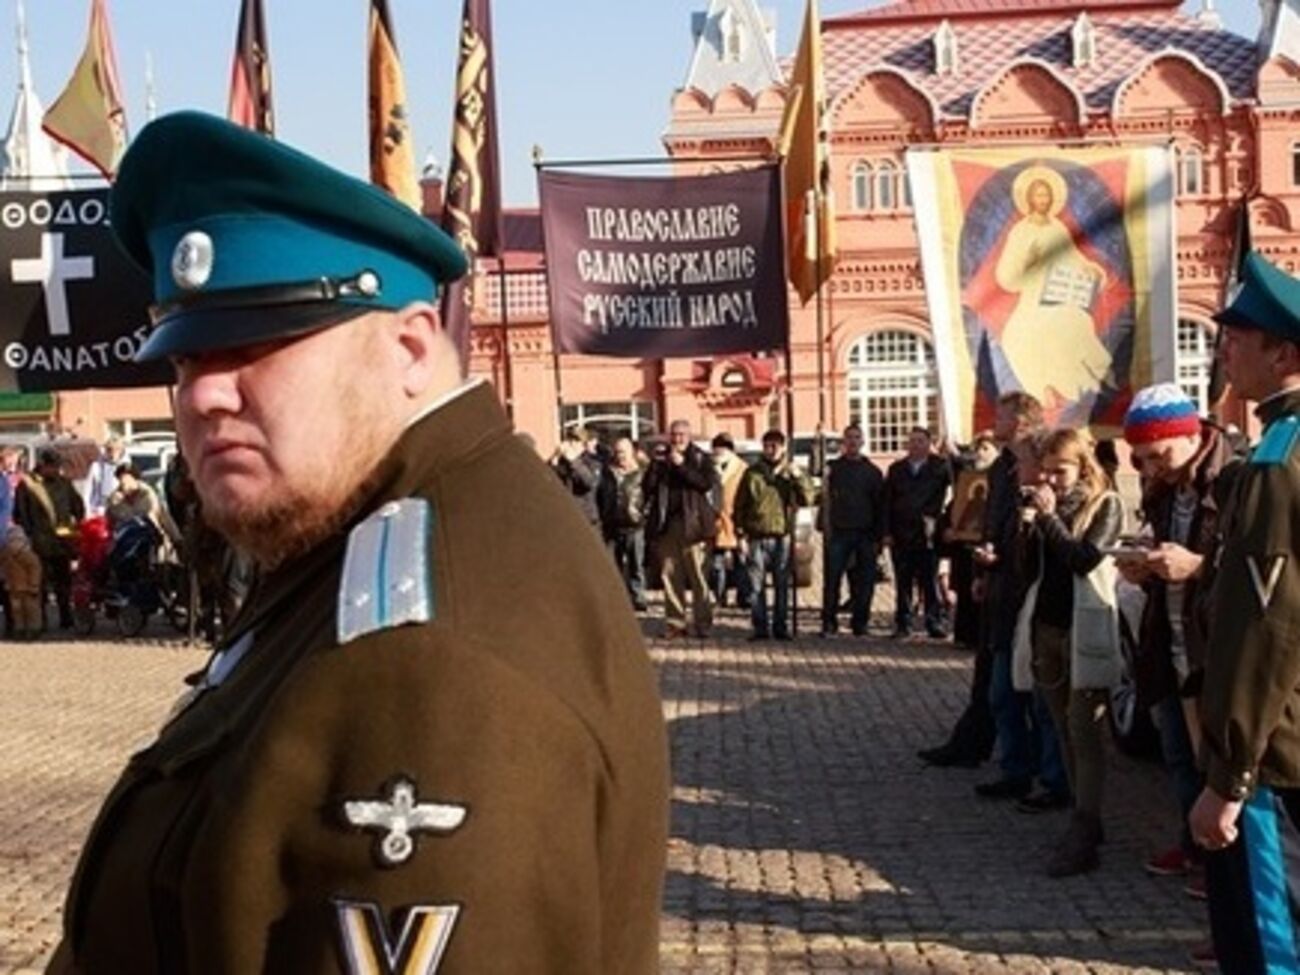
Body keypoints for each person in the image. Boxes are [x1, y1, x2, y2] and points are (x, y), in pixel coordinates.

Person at [48, 112, 669, 973]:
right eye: (186, 359)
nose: (202, 397)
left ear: (410, 348)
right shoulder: (357, 533)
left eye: (255, 344)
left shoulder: (429, 657)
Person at [1189, 251, 1300, 972]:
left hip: (1272, 753)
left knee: (1269, 942)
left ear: (1284, 352)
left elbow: (1266, 627)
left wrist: (1229, 775)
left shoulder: (1276, 460)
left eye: (1239, 336)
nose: (1224, 347)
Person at [1119, 384, 1240, 901]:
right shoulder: (1166, 487)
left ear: (1189, 436)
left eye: (1158, 454)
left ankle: (1229, 885)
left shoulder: (1237, 481)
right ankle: (1199, 854)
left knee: (1225, 781)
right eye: (1142, 459)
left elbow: (1261, 573)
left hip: (1213, 654)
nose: (1150, 468)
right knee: (1179, 759)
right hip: (1169, 646)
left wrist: (1196, 568)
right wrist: (1145, 564)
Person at [1017, 428, 1124, 876]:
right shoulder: (1049, 508)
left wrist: (1046, 521)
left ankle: (1087, 824)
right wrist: (1024, 529)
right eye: (1046, 472)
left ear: (1083, 466)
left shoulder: (1106, 504)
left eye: (1059, 471)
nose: (1052, 481)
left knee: (1085, 730)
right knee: (1061, 727)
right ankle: (1081, 814)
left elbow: (1083, 557)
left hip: (1086, 625)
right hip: (1048, 626)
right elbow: (1031, 568)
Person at [967, 395, 1067, 809]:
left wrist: (1002, 558)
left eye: (1003, 414)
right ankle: (1016, 769)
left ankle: (1050, 778)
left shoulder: (1039, 467)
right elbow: (996, 523)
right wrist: (985, 569)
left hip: (1029, 596)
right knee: (1002, 692)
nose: (995, 419)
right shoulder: (1000, 466)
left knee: (1034, 698)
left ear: (1023, 421)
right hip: (1002, 589)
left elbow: (1037, 540)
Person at [995, 167, 1112, 413]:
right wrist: (1029, 263)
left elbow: (1075, 258)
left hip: (1061, 296)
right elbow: (1006, 276)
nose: (1042, 200)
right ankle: (1040, 395)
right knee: (1014, 337)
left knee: (1074, 327)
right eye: (1037, 195)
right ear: (1028, 199)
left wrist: (1092, 270)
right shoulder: (1021, 231)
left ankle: (1078, 394)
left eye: (1046, 195)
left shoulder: (1058, 227)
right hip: (1033, 297)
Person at [734, 430, 814, 641]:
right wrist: (740, 534)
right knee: (756, 585)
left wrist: (797, 478)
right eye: (767, 446)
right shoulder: (753, 473)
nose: (771, 450)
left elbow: (808, 498)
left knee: (782, 584)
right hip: (756, 535)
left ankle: (781, 625)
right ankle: (760, 626)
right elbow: (740, 506)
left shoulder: (790, 473)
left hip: (782, 535)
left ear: (783, 447)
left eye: (775, 446)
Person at [643, 419, 717, 638]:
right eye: (674, 435)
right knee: (670, 576)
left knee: (698, 577)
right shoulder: (661, 459)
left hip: (694, 527)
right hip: (667, 526)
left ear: (689, 436)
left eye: (682, 434)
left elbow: (705, 484)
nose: (678, 439)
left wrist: (681, 466)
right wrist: (655, 466)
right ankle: (676, 622)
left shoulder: (700, 458)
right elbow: (648, 488)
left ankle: (702, 623)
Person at [883, 427, 951, 638]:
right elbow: (886, 502)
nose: (916, 445)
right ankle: (903, 622)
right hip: (901, 532)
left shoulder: (940, 467)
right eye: (912, 441)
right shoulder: (896, 469)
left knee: (929, 580)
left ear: (929, 444)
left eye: (921, 441)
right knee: (903, 581)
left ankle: (933, 621)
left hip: (927, 532)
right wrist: (886, 531)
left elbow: (960, 482)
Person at [820, 423, 884, 637]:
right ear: (843, 443)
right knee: (832, 580)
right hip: (839, 532)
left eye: (857, 438)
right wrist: (825, 526)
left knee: (864, 582)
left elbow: (880, 506)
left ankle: (860, 622)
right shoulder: (833, 469)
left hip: (865, 533)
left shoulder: (873, 472)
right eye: (849, 438)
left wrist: (880, 536)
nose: (853, 442)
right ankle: (829, 621)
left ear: (863, 441)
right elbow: (825, 499)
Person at [14, 447, 84, 630]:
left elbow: (78, 506)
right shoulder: (28, 486)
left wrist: (76, 526)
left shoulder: (64, 483)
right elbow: (20, 514)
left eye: (57, 466)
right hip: (39, 542)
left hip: (62, 541)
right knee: (40, 583)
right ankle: (41, 619)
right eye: (52, 466)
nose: (55, 470)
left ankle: (66, 618)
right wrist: (29, 535)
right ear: (42, 465)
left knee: (64, 582)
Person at [602, 436, 648, 611]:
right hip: (613, 524)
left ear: (631, 452)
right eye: (617, 452)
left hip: (635, 525)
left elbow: (650, 496)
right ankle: (618, 598)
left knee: (636, 564)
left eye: (623, 452)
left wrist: (644, 515)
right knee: (614, 565)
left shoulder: (642, 472)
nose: (620, 455)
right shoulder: (608, 472)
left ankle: (638, 597)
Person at [710, 433, 751, 610]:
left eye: (723, 447)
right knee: (716, 565)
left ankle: (743, 597)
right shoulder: (709, 468)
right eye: (716, 447)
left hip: (737, 522)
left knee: (741, 562)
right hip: (716, 523)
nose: (719, 451)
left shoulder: (742, 469)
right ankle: (720, 597)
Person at [550, 427, 606, 531]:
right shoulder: (561, 463)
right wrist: (555, 459)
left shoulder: (592, 463)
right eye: (569, 439)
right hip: (565, 519)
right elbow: (548, 482)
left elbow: (590, 482)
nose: (572, 443)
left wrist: (574, 461)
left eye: (576, 440)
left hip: (586, 520)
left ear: (583, 445)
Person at [85, 436, 126, 516]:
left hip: (120, 509)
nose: (113, 453)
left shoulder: (125, 467)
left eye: (117, 449)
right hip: (99, 509)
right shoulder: (96, 466)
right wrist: (89, 511)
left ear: (121, 451)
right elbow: (88, 491)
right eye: (110, 449)